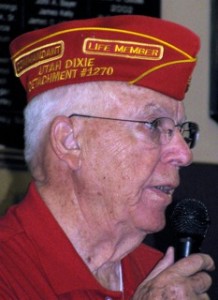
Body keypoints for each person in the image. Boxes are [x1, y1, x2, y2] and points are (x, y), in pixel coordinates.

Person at [0, 15, 214, 299]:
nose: (184, 154)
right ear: (70, 141)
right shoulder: (8, 271)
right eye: (153, 125)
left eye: (179, 131)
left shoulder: (158, 277)